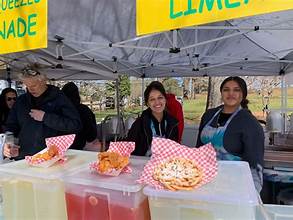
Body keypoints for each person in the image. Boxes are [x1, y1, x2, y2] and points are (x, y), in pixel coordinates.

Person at [196, 76, 264, 193]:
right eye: (226, 89)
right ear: (221, 93)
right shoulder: (209, 115)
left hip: (234, 186)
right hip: (204, 182)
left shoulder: (249, 122)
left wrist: (252, 194)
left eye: (236, 90)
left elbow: (255, 164)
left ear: (243, 95)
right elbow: (198, 149)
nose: (231, 93)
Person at [3, 69, 81, 160]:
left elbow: (75, 125)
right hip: (24, 158)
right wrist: (9, 143)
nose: (30, 89)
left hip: (52, 159)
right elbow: (11, 127)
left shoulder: (59, 99)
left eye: (34, 85)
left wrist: (46, 117)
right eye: (27, 86)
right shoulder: (21, 101)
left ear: (43, 81)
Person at [127, 81, 179, 156]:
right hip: (143, 165)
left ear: (165, 99)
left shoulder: (173, 123)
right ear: (148, 103)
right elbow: (129, 150)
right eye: (152, 99)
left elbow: (175, 149)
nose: (157, 102)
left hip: (166, 165)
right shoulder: (139, 124)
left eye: (160, 97)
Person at [62, 82, 97, 150]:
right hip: (80, 147)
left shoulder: (57, 110)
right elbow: (91, 135)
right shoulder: (84, 110)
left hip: (61, 147)